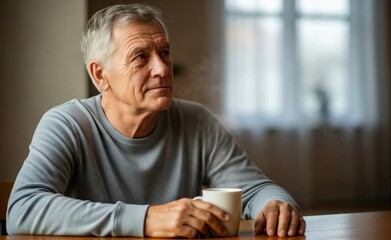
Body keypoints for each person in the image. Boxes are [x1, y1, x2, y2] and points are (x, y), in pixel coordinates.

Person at [7, 3, 305, 238]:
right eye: (140, 57)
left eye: (164, 53)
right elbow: (22, 210)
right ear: (100, 75)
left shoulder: (197, 121)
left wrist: (277, 205)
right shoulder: (66, 124)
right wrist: (146, 219)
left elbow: (255, 190)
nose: (162, 68)